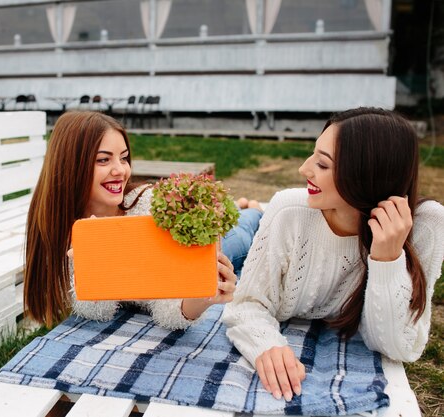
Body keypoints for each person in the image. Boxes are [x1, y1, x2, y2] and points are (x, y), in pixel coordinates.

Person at [222, 107, 444, 402]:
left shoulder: (426, 225)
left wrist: (386, 260)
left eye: (323, 165)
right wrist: (264, 344)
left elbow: (399, 347)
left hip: (283, 236)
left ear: (367, 174)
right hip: (256, 242)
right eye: (313, 155)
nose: (304, 169)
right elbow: (245, 305)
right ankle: (251, 212)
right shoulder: (289, 209)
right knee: (233, 241)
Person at [24, 111, 262, 328]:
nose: (121, 170)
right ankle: (242, 206)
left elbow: (168, 303)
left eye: (124, 158)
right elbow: (97, 312)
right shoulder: (59, 228)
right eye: (103, 160)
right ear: (70, 166)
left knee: (243, 230)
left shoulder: (146, 207)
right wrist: (94, 267)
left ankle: (252, 209)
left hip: (219, 244)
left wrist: (200, 300)